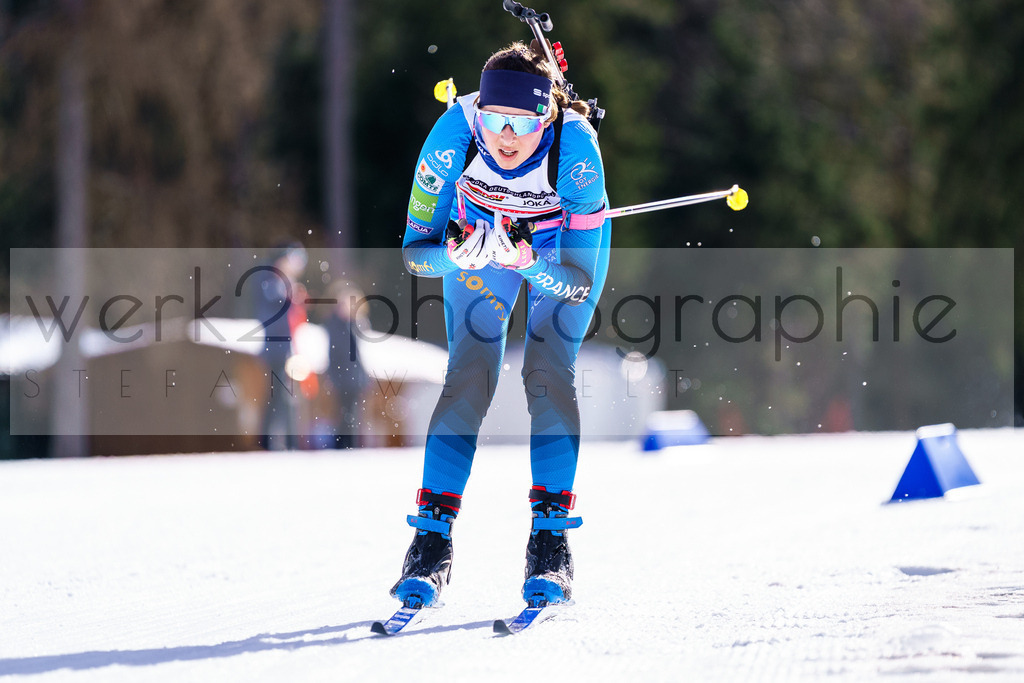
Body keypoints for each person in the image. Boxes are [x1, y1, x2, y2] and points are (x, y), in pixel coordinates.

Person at [393, 41, 611, 608]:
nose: (506, 137)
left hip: (554, 245)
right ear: (478, 112)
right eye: (494, 120)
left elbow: (579, 284)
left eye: (521, 123)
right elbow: (416, 254)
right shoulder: (451, 137)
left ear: (546, 117)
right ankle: (430, 545)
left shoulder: (576, 154)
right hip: (476, 235)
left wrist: (531, 263)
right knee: (468, 374)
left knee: (546, 371)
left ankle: (550, 543)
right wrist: (454, 255)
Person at [254, 242, 307, 450]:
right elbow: (272, 313)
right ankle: (273, 443)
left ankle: (278, 442)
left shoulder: (278, 281)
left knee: (282, 396)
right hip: (275, 349)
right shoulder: (270, 279)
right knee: (280, 396)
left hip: (283, 348)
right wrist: (289, 295)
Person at [322, 283, 369, 449]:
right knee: (345, 413)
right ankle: (343, 445)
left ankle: (350, 445)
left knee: (353, 413)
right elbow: (337, 353)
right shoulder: (335, 324)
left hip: (354, 376)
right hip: (342, 375)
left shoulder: (353, 324)